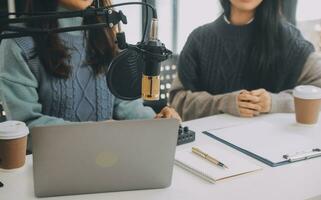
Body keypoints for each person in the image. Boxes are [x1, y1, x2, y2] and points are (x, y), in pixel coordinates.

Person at [0, 0, 181, 133]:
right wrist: (95, 132)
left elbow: (123, 104)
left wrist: (156, 121)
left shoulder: (107, 31)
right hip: (51, 167)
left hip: (109, 158)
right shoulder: (18, 44)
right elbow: (25, 125)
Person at [169, 0, 321, 121]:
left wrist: (274, 102)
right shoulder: (200, 39)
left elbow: (317, 91)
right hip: (208, 146)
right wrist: (224, 103)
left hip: (274, 146)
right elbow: (177, 101)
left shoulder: (290, 40)